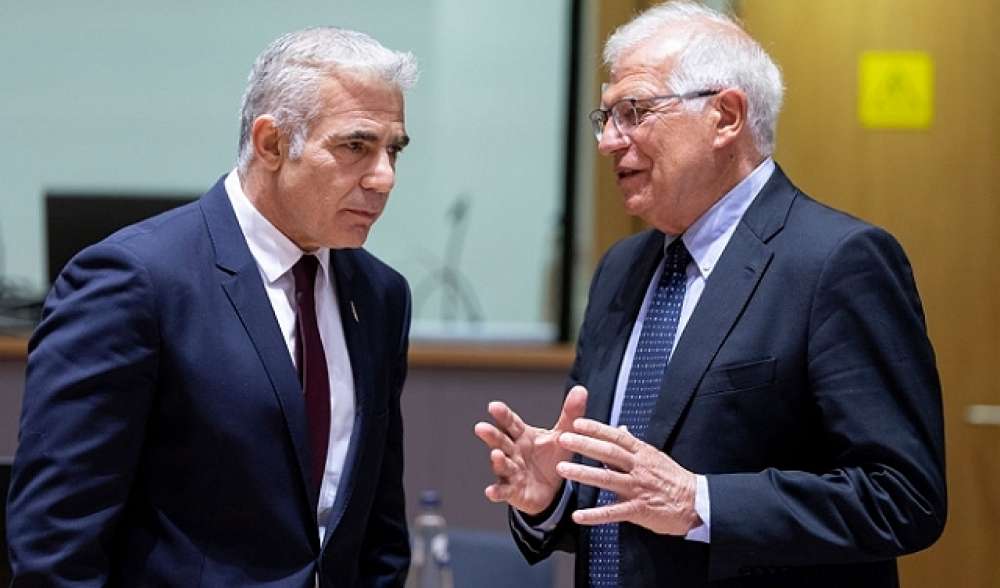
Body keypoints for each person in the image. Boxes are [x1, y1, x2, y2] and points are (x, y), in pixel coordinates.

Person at [475, 2, 946, 586]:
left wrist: (700, 502)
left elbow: (902, 497)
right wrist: (550, 496)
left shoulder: (837, 262)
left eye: (633, 112)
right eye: (607, 117)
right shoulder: (621, 268)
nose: (609, 142)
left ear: (725, 117)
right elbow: (624, 507)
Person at [7, 27, 416, 587]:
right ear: (271, 144)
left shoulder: (380, 295)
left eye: (394, 149)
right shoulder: (135, 281)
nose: (384, 178)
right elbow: (56, 540)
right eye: (355, 146)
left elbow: (377, 530)